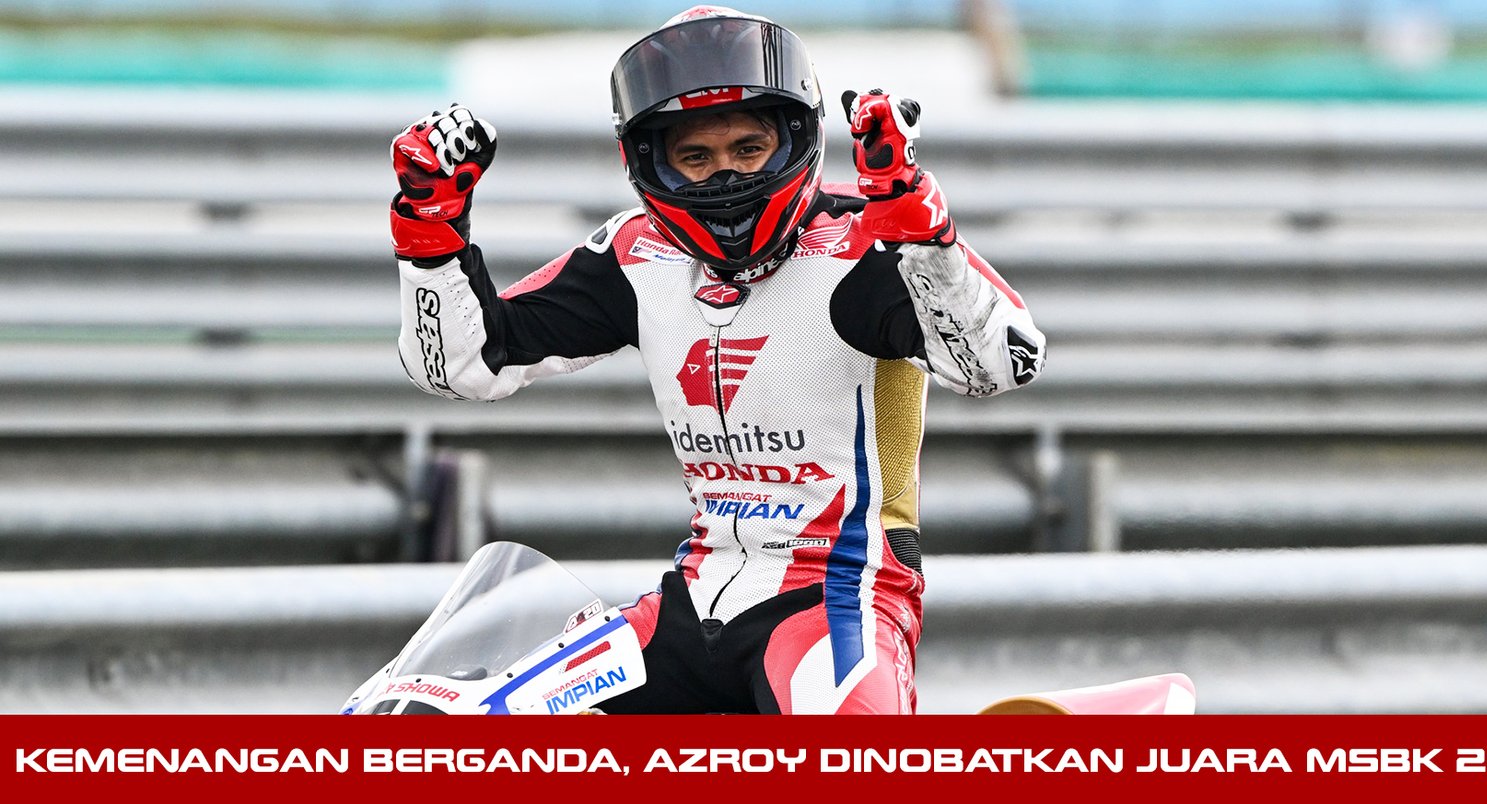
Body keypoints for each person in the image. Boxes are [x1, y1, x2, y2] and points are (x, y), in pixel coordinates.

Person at [388, 5, 1046, 714]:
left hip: (839, 599)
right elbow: (463, 365)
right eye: (696, 157)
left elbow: (1003, 363)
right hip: (692, 600)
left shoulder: (871, 238)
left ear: (795, 137)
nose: (725, 176)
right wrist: (430, 234)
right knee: (451, 720)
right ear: (650, 162)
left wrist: (928, 243)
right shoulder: (636, 253)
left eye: (748, 148)